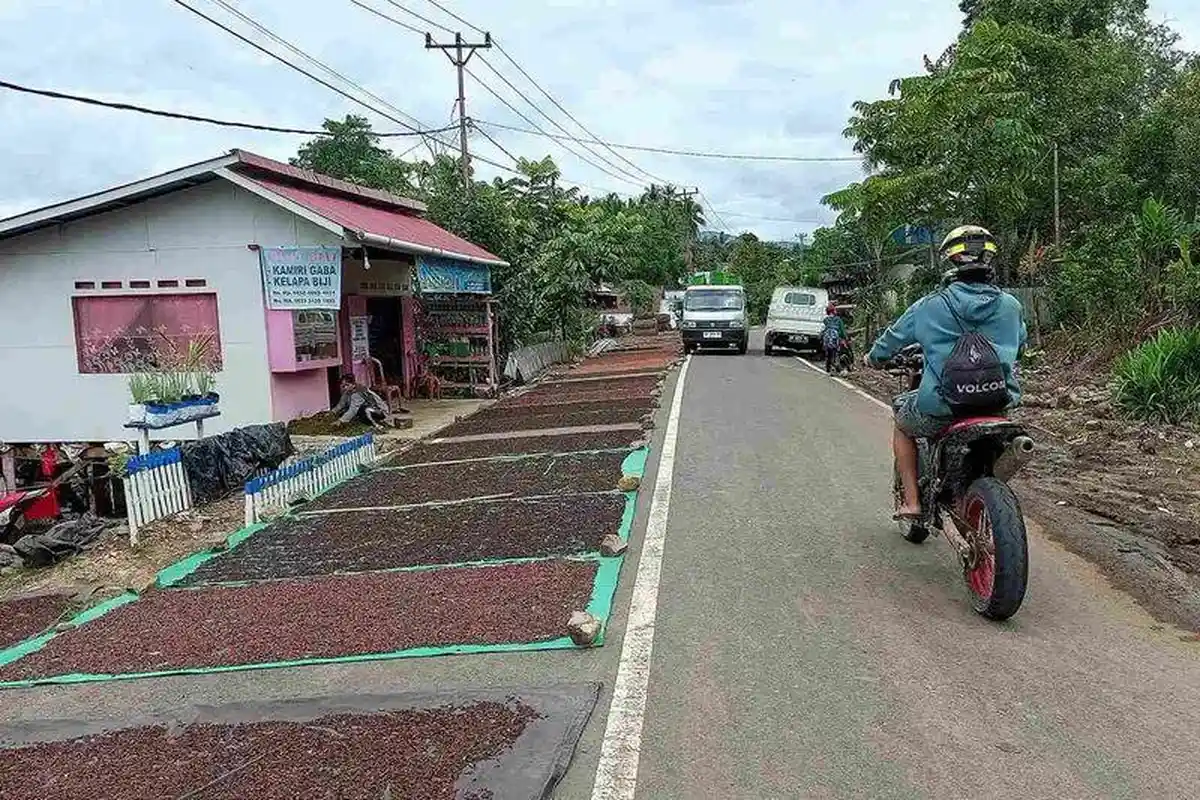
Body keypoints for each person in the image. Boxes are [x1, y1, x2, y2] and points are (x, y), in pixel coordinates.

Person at [864, 225, 1026, 519]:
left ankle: (913, 503)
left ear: (950, 261)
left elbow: (889, 342)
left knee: (903, 425)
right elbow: (1021, 345)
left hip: (942, 405)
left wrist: (873, 359)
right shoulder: (1011, 306)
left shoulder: (929, 306)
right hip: (998, 401)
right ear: (990, 260)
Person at [821, 303, 846, 374]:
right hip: (835, 339)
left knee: (828, 354)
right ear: (833, 311)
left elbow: (823, 329)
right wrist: (844, 338)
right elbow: (842, 331)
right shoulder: (838, 320)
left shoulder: (826, 320)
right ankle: (834, 368)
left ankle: (828, 368)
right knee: (835, 354)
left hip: (827, 339)